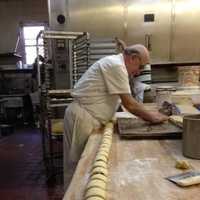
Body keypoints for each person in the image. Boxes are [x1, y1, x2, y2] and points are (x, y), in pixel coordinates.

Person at [63, 43, 168, 187]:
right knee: (78, 168)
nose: (138, 72)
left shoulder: (117, 65)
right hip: (83, 118)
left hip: (89, 117)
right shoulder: (116, 66)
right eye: (141, 66)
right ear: (133, 58)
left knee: (85, 168)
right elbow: (129, 104)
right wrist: (153, 117)